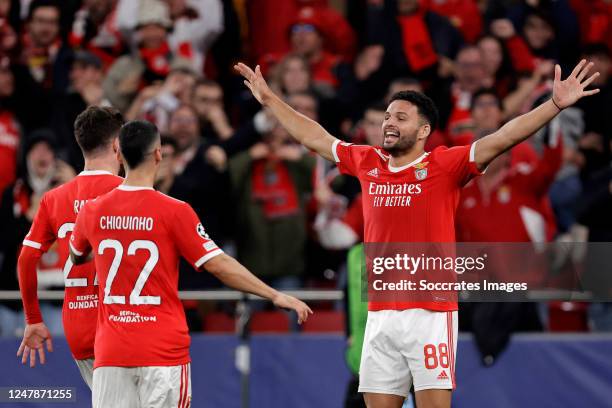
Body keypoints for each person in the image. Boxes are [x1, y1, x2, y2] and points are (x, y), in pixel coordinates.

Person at [235, 59, 600, 407]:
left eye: (401, 118)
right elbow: (314, 136)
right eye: (388, 116)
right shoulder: (368, 162)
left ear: (424, 130)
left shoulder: (446, 164)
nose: (389, 123)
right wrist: (270, 99)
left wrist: (553, 105)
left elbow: (503, 137)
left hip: (430, 312)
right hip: (380, 313)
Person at [68, 120, 311, 407]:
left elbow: (76, 255)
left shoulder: (92, 210)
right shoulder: (174, 211)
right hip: (161, 350)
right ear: (158, 154)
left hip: (111, 352)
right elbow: (218, 264)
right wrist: (274, 294)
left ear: (118, 154)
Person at [16, 107, 124, 389]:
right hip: (124, 325)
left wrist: (33, 319)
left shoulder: (54, 198)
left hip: (78, 326)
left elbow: (26, 258)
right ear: (117, 145)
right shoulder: (131, 193)